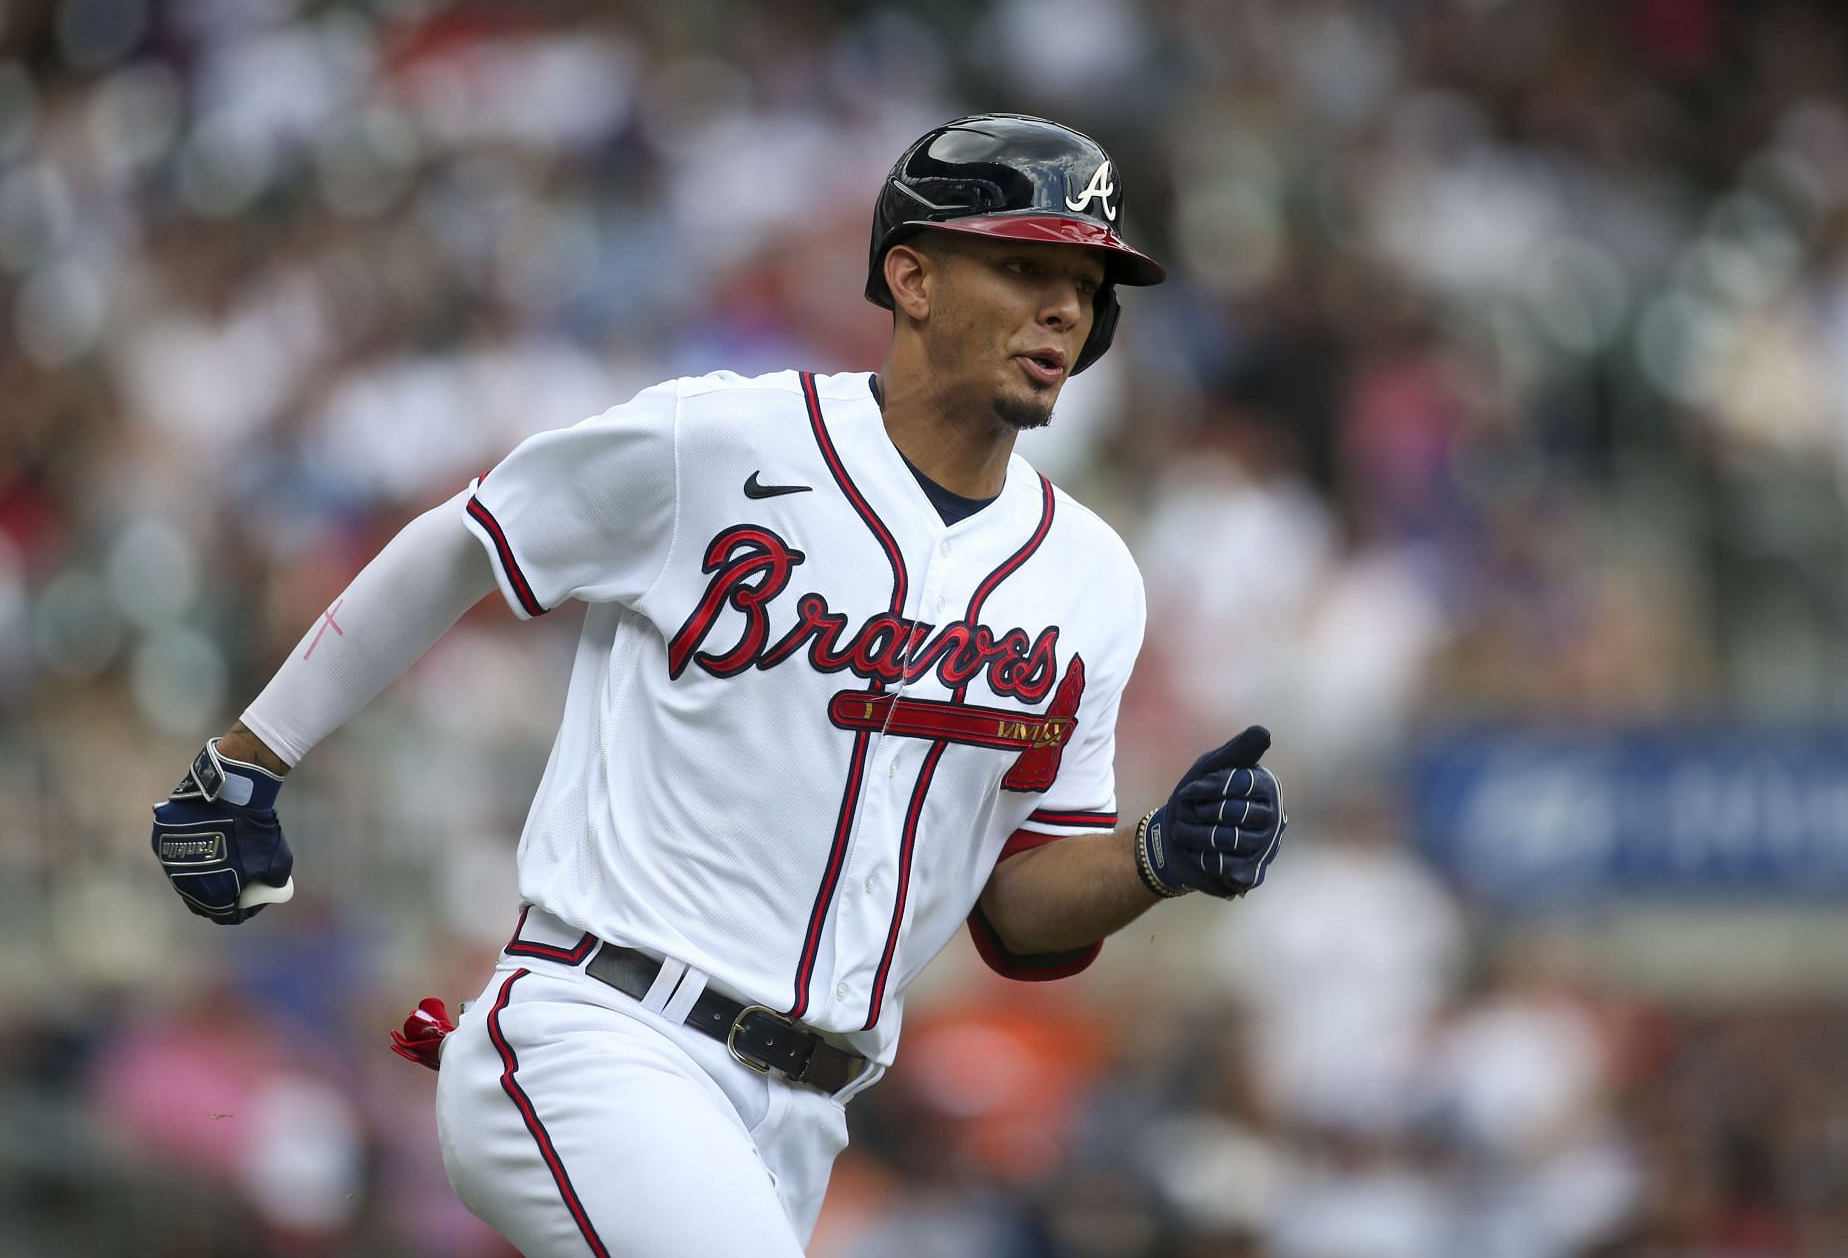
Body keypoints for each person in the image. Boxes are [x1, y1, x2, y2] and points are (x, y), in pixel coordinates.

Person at [149, 113, 1288, 1257]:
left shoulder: (1090, 578)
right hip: (604, 1032)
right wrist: (246, 762)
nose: (1063, 308)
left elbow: (1021, 908)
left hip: (806, 1114)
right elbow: (467, 540)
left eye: (1087, 284)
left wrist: (1155, 857)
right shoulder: (724, 440)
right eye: (1023, 264)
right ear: (913, 276)